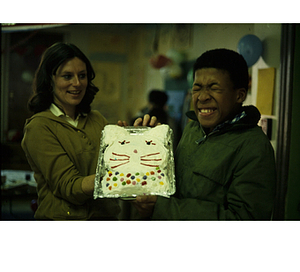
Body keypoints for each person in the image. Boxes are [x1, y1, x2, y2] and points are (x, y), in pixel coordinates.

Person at [133, 48, 277, 220]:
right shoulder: (193, 129)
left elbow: (245, 219)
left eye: (214, 88)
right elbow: (169, 185)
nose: (202, 97)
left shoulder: (254, 147)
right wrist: (148, 144)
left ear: (239, 95)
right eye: (197, 88)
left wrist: (163, 208)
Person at [21, 42, 157, 220]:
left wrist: (136, 145)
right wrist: (118, 173)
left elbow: (116, 169)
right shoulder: (39, 127)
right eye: (67, 76)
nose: (77, 83)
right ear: (50, 80)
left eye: (82, 75)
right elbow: (69, 187)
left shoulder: (97, 119)